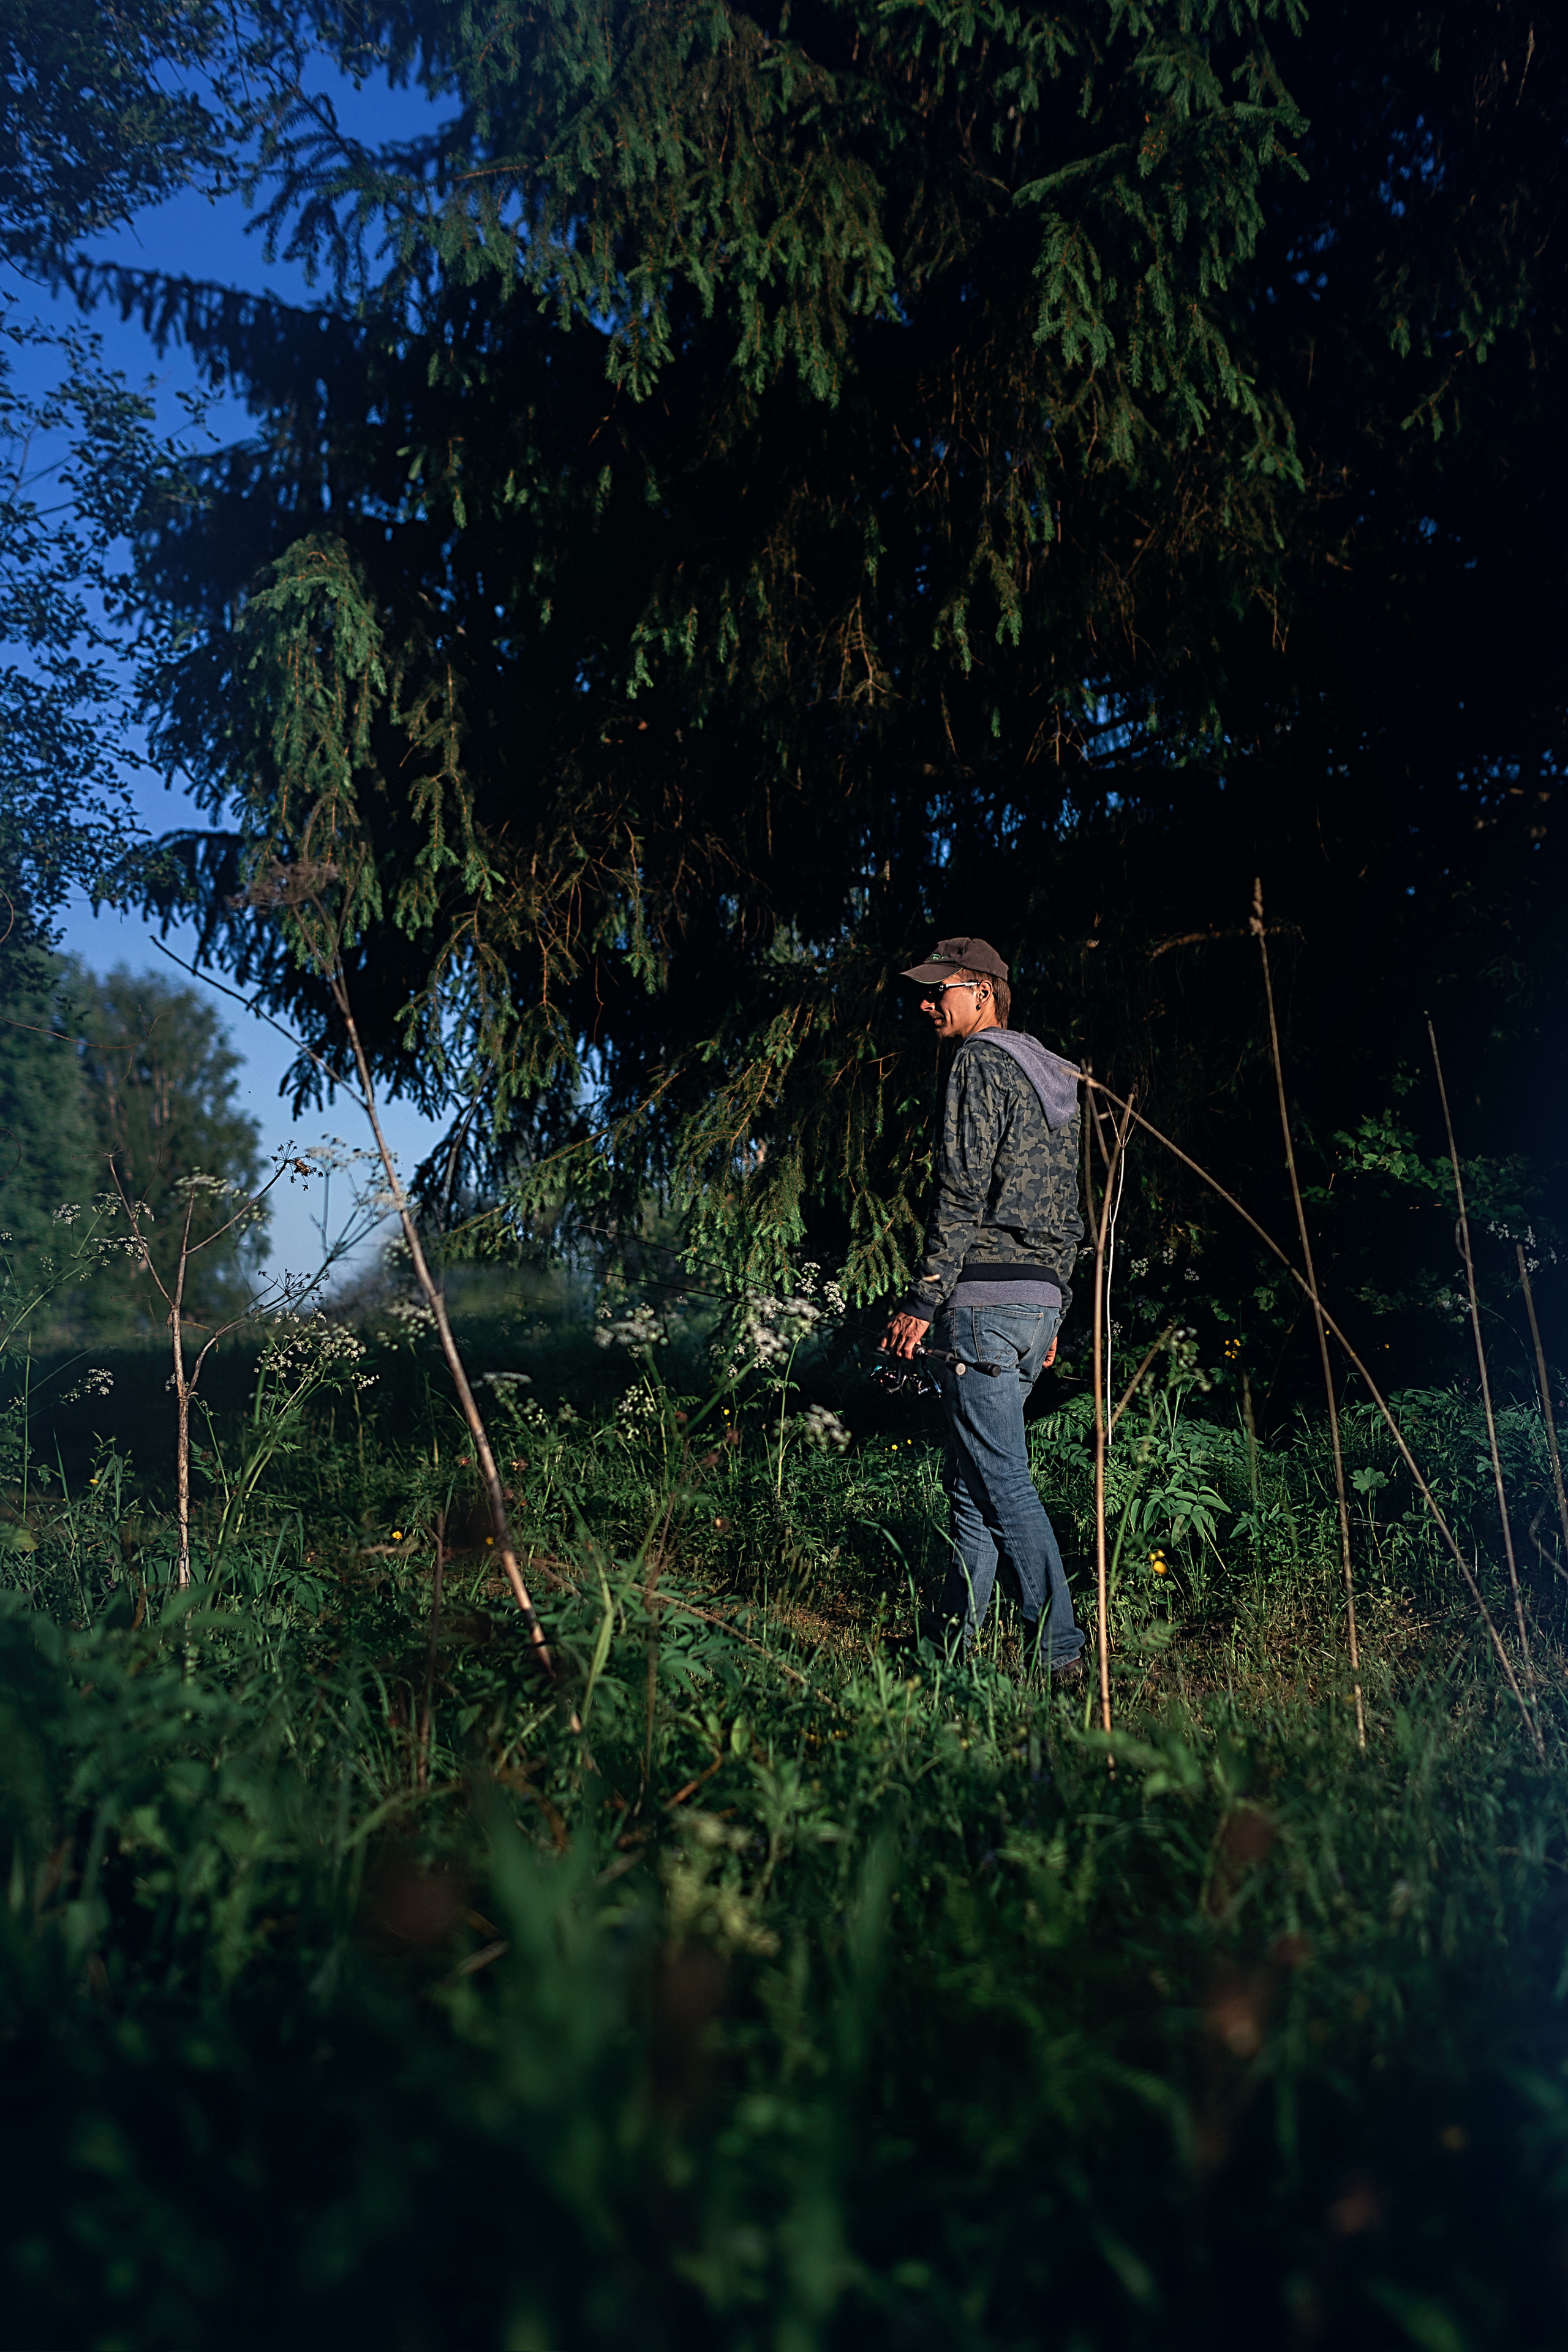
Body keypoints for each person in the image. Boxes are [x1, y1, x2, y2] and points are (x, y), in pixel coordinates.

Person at [881, 935, 1086, 1676]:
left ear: (983, 992)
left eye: (942, 990)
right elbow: (1069, 1213)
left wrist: (920, 1300)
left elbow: (960, 1191)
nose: (927, 1003)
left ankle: (1061, 1653)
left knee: (1000, 1480)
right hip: (1034, 1308)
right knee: (972, 1483)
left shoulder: (979, 1062)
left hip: (982, 1304)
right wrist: (1056, 1307)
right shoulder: (1056, 1075)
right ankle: (944, 1652)